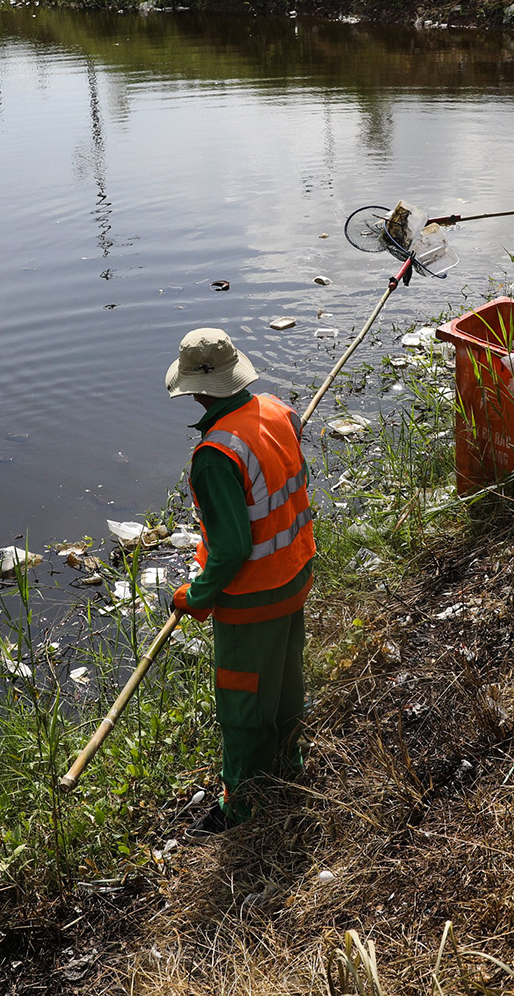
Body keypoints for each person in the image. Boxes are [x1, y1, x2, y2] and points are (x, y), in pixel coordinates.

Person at [165, 327, 315, 833]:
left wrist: (196, 596)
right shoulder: (276, 409)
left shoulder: (214, 455)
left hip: (252, 598)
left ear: (197, 390)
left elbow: (231, 549)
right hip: (295, 573)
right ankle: (290, 765)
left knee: (243, 702)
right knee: (285, 682)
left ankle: (243, 806)